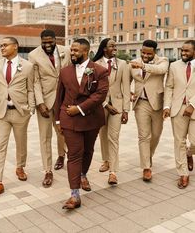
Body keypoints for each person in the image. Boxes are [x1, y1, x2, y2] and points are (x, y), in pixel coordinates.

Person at [55, 38, 109, 209]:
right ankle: (74, 194)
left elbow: (100, 95)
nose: (72, 53)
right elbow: (59, 96)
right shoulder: (64, 71)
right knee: (74, 154)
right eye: (71, 50)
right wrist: (58, 119)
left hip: (91, 118)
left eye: (76, 51)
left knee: (88, 151)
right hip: (69, 118)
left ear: (86, 51)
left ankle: (83, 174)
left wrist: (79, 109)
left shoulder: (100, 70)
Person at [0, 37, 35, 197]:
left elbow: (30, 89)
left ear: (15, 46)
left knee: (21, 142)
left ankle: (20, 167)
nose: (2, 48)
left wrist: (30, 107)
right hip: (1, 113)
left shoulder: (27, 66)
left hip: (21, 112)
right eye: (0, 46)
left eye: (5, 45)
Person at [28, 30, 70, 188]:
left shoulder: (66, 51)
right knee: (45, 137)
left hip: (64, 100)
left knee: (63, 132)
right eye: (44, 42)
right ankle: (47, 170)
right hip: (45, 101)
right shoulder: (33, 55)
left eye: (50, 42)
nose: (47, 45)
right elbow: (35, 81)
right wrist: (39, 103)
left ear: (55, 40)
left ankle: (61, 155)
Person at [129, 39, 169, 182]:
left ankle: (149, 155)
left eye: (148, 53)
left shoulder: (163, 61)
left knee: (156, 134)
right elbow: (126, 80)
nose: (145, 55)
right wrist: (128, 92)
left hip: (157, 103)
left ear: (154, 52)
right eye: (143, 52)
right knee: (143, 136)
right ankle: (146, 167)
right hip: (140, 103)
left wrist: (143, 66)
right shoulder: (134, 62)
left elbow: (161, 70)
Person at [93, 38, 130, 185]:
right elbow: (93, 90)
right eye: (111, 45)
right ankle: (106, 160)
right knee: (103, 135)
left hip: (118, 106)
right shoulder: (95, 65)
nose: (115, 47)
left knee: (113, 137)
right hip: (100, 106)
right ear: (104, 48)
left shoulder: (122, 64)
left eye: (115, 45)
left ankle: (113, 172)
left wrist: (126, 110)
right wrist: (104, 104)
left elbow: (126, 87)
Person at [163, 40, 195, 189]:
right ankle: (183, 174)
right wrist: (167, 106)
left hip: (193, 109)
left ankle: (189, 153)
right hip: (177, 109)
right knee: (179, 141)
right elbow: (169, 86)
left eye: (187, 51)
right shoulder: (174, 66)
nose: (183, 53)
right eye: (182, 50)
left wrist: (192, 105)